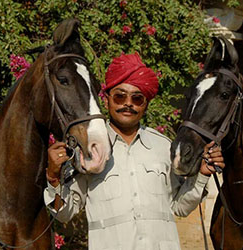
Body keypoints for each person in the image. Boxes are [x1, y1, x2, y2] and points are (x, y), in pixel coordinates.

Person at [44, 52, 225, 250]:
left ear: (145, 105)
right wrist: (54, 179)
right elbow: (64, 213)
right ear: (107, 100)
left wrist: (201, 176)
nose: (128, 103)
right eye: (120, 96)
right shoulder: (90, 149)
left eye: (137, 98)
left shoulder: (163, 146)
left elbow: (179, 207)